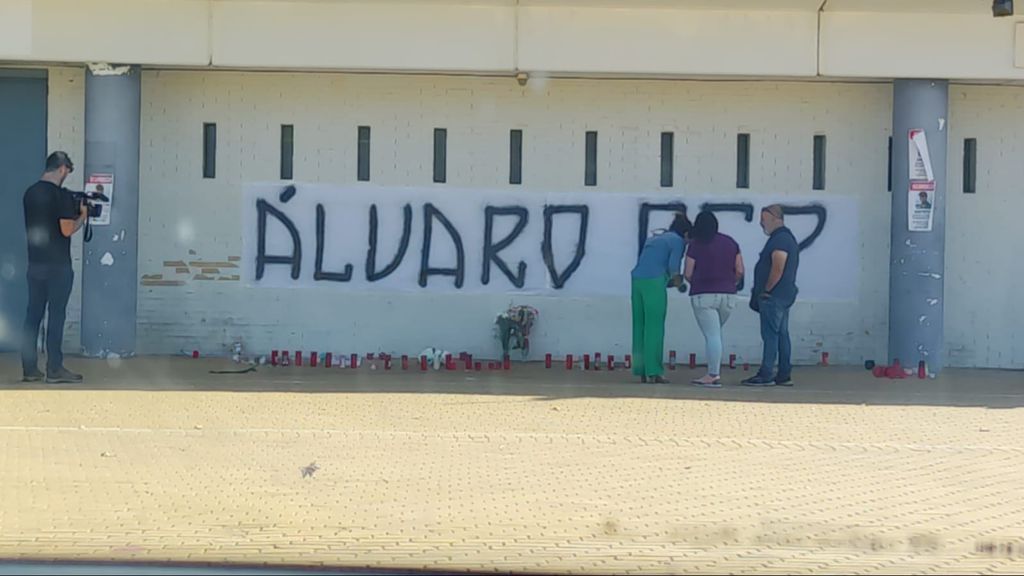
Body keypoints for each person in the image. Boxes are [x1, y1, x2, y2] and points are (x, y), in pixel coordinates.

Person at [21, 151, 87, 384]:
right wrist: (82, 216)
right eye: (67, 172)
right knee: (56, 315)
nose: (66, 176)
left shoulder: (30, 193)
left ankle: (29, 369)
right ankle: (54, 369)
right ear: (62, 169)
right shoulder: (60, 196)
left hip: (35, 264)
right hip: (58, 266)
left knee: (33, 315)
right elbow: (67, 230)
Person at [684, 211, 744, 388]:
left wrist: (697, 281)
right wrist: (730, 281)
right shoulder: (731, 242)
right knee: (715, 334)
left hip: (703, 295)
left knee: (712, 336)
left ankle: (712, 375)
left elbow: (688, 272)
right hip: (728, 295)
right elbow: (740, 270)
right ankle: (713, 372)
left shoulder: (695, 245)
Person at [743, 205, 800, 387]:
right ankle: (783, 374)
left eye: (764, 220)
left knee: (771, 335)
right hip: (783, 295)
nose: (761, 224)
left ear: (776, 218)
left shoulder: (781, 240)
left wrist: (766, 290)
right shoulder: (784, 238)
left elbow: (778, 266)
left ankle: (766, 374)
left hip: (773, 297)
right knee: (782, 334)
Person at [630, 212, 690, 384]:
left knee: (639, 326)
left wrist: (670, 283)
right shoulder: (677, 241)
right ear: (685, 234)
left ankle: (641, 370)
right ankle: (654, 371)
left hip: (637, 281)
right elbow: (673, 269)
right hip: (654, 282)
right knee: (655, 328)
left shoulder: (656, 238)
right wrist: (680, 285)